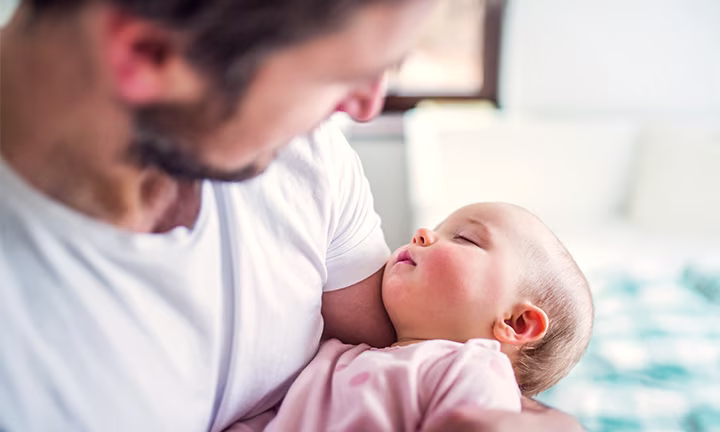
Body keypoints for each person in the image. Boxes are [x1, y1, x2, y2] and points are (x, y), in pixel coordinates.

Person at [0, 0, 584, 430]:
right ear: (149, 56)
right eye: (339, 75)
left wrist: (552, 423)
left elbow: (437, 361)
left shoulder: (301, 150)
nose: (365, 107)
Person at [230, 202, 594, 431]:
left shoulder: (470, 370)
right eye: (438, 228)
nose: (423, 234)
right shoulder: (340, 353)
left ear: (516, 323)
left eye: (465, 239)